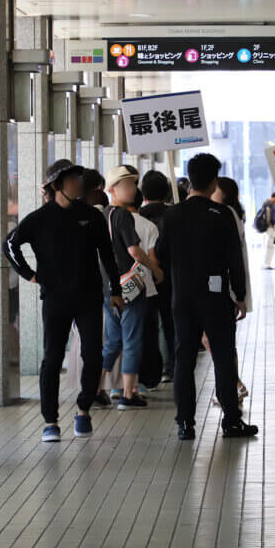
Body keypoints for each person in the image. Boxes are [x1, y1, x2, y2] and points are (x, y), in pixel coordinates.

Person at [3, 159, 124, 442]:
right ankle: (50, 421)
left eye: (79, 178)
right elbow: (10, 245)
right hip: (56, 298)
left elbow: (108, 255)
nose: (78, 184)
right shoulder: (39, 218)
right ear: (58, 185)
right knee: (52, 358)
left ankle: (84, 409)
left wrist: (116, 291)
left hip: (90, 297)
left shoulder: (92, 216)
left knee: (93, 354)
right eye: (71, 179)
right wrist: (28, 274)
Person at [155, 153, 259, 441]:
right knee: (224, 358)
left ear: (190, 180)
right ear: (214, 182)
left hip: (182, 299)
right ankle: (231, 421)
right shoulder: (222, 214)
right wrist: (240, 295)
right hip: (215, 299)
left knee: (184, 359)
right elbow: (234, 259)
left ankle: (185, 423)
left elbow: (160, 255)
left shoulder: (172, 215)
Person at [98, 165, 153, 410]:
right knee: (131, 339)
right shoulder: (122, 215)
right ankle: (128, 394)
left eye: (133, 184)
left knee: (112, 341)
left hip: (108, 288)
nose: (133, 189)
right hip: (129, 287)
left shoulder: (102, 215)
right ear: (113, 189)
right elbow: (135, 252)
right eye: (127, 185)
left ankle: (96, 389)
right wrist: (156, 269)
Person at [209, 177, 251, 403]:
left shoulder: (225, 214)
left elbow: (231, 256)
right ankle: (232, 383)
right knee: (221, 340)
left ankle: (233, 384)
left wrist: (238, 293)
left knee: (220, 340)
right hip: (228, 287)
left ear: (223, 193)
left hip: (225, 287)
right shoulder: (230, 213)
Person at [139, 169, 176, 382]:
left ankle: (151, 373)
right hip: (172, 278)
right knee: (171, 325)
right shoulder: (174, 214)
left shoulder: (137, 216)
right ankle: (173, 366)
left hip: (145, 279)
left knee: (149, 326)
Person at [128, 188, 166, 389]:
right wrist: (157, 271)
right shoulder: (149, 226)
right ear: (140, 202)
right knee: (148, 336)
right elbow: (151, 257)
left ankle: (123, 384)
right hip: (146, 288)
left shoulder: (114, 221)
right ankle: (146, 379)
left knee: (126, 337)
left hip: (123, 288)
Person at [260, 192, 275, 269]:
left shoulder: (266, 203)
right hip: (271, 228)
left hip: (267, 228)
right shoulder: (271, 205)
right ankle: (266, 264)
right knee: (270, 246)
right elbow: (270, 217)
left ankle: (267, 263)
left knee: (269, 246)